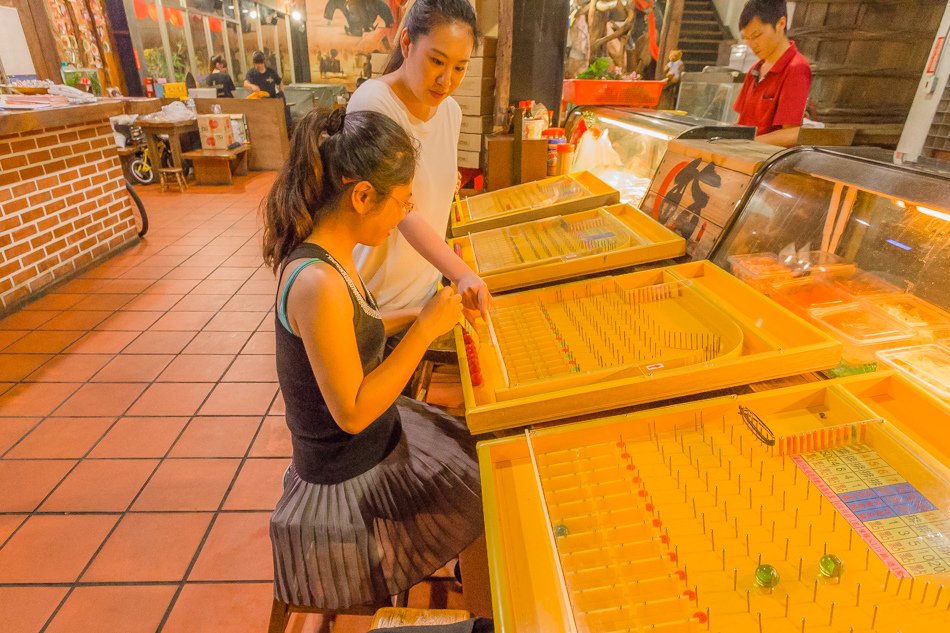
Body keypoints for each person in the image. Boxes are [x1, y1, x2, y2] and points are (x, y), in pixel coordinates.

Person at [262, 108, 484, 612]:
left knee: (477, 460)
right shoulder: (317, 282)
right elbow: (353, 410)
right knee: (480, 490)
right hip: (344, 470)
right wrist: (426, 329)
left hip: (370, 440)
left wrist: (419, 314)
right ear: (362, 195)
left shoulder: (332, 255)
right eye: (402, 204)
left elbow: (358, 328)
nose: (403, 217)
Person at [347, 0, 491, 333]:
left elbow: (429, 184)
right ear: (407, 43)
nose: (446, 79)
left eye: (460, 67)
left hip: (421, 296)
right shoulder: (375, 102)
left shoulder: (450, 112)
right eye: (437, 61)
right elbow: (400, 210)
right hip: (374, 301)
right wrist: (461, 272)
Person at [732, 0, 812, 147]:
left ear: (781, 24)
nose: (752, 44)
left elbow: (792, 133)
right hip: (743, 157)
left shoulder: (796, 68)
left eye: (756, 36)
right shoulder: (755, 70)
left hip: (767, 162)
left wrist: (746, 143)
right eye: (747, 38)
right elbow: (742, 122)